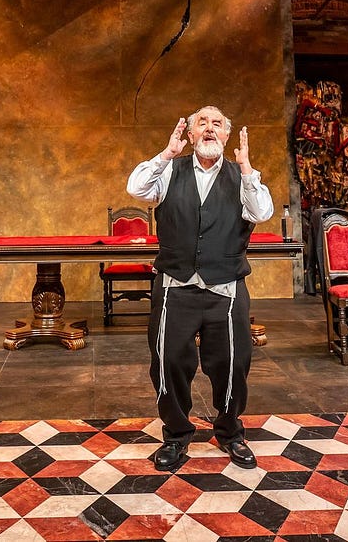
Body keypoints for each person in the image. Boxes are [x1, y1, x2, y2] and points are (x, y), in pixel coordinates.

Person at [127, 106, 274, 472]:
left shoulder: (243, 176)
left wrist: (246, 169)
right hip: (175, 286)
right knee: (168, 362)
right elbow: (136, 187)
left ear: (226, 135)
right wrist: (166, 154)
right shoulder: (169, 170)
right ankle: (176, 436)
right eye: (202, 123)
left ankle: (230, 432)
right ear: (191, 135)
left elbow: (261, 213)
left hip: (225, 289)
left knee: (232, 364)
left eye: (217, 124)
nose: (209, 129)